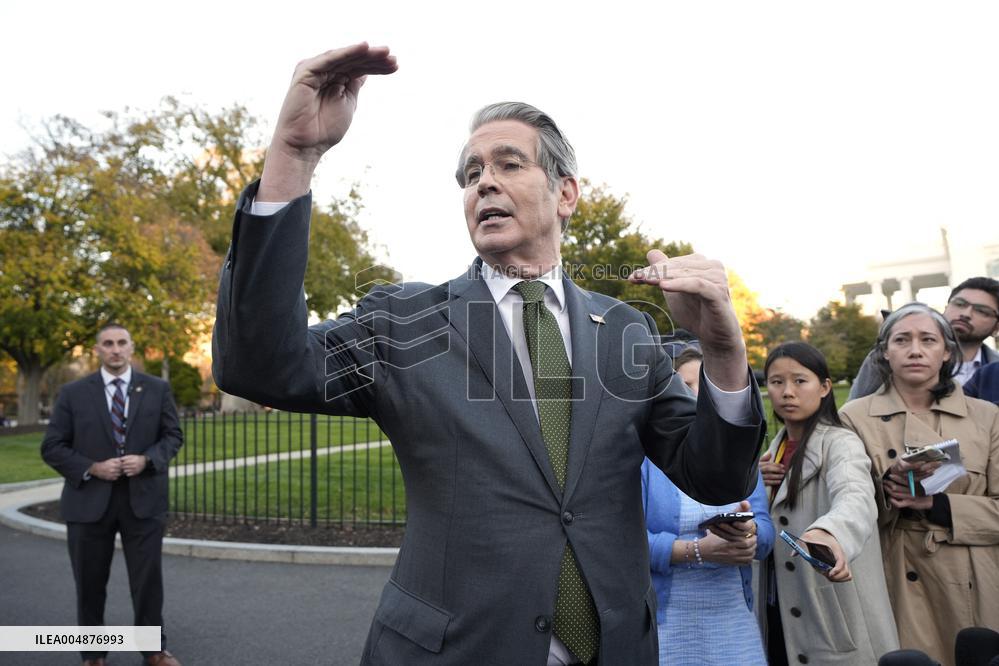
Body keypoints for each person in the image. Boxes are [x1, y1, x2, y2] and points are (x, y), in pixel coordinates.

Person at [212, 44, 766, 665]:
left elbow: (717, 477)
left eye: (508, 164)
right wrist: (295, 155)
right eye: (472, 174)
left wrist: (722, 348)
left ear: (566, 194)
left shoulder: (626, 331)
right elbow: (259, 364)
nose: (486, 183)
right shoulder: (405, 321)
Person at [840, 303, 999, 666]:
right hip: (895, 573)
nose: (915, 350)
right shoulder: (853, 417)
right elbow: (846, 503)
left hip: (976, 578)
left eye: (928, 340)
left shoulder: (988, 417)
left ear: (946, 351)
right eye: (902, 340)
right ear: (884, 350)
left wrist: (937, 506)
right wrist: (888, 490)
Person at [41, 324, 183, 666]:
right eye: (108, 344)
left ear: (132, 348)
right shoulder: (73, 393)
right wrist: (92, 467)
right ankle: (93, 653)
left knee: (147, 582)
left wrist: (147, 460)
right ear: (97, 350)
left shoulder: (156, 388)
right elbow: (52, 446)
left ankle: (153, 651)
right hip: (89, 502)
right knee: (90, 583)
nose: (115, 349)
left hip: (143, 501)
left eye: (121, 343)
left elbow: (172, 437)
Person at [758, 341, 899, 665]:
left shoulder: (841, 443)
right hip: (778, 612)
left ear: (824, 387)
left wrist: (831, 533)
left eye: (799, 381)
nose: (787, 392)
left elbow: (856, 496)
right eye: (777, 382)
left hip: (832, 616)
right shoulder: (772, 453)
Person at [641, 358, 774, 666]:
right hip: (666, 624)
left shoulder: (738, 458)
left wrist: (748, 536)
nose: (698, 395)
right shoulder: (644, 459)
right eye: (685, 385)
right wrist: (696, 551)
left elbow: (766, 531)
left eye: (706, 386)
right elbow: (623, 542)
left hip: (733, 621)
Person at [849, 277, 999, 400]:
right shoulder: (886, 358)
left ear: (997, 328)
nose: (966, 314)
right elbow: (856, 411)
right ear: (946, 306)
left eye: (982, 311)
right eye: (959, 304)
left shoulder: (994, 370)